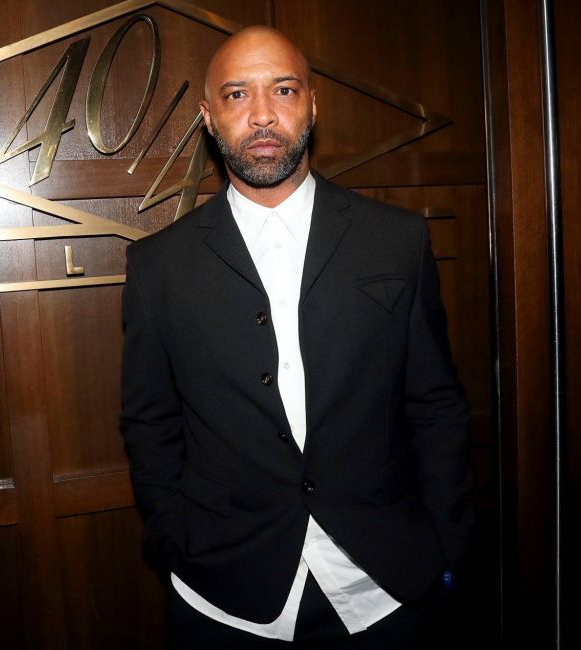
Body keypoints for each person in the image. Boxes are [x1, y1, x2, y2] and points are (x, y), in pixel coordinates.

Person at [120, 25, 472, 649]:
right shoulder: (159, 266)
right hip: (222, 595)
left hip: (383, 588)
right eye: (235, 95)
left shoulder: (395, 240)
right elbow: (150, 420)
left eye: (282, 90)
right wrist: (174, 537)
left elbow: (435, 405)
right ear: (208, 117)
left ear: (312, 104)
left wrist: (447, 542)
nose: (261, 115)